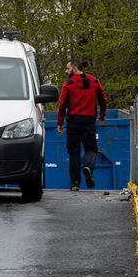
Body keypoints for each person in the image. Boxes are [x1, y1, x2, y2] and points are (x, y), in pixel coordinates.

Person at [57, 58, 107, 191]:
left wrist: (60, 123)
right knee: (91, 149)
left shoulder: (68, 84)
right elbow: (102, 99)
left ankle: (75, 183)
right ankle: (88, 166)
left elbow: (62, 105)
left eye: (68, 68)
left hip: (73, 121)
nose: (66, 71)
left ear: (74, 67)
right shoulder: (94, 81)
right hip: (89, 121)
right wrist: (102, 116)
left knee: (74, 152)